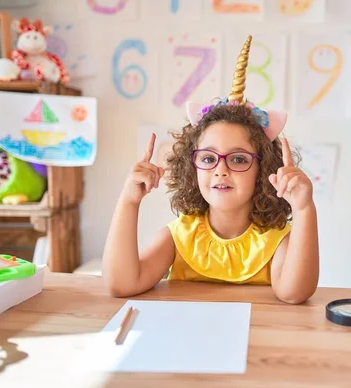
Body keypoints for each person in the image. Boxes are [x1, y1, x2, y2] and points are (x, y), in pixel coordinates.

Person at [102, 35, 319, 304]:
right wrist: (128, 201)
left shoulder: (274, 241)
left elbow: (294, 294)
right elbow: (120, 285)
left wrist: (304, 209)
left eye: (238, 159)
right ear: (192, 169)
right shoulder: (180, 236)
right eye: (207, 159)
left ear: (263, 170)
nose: (220, 170)